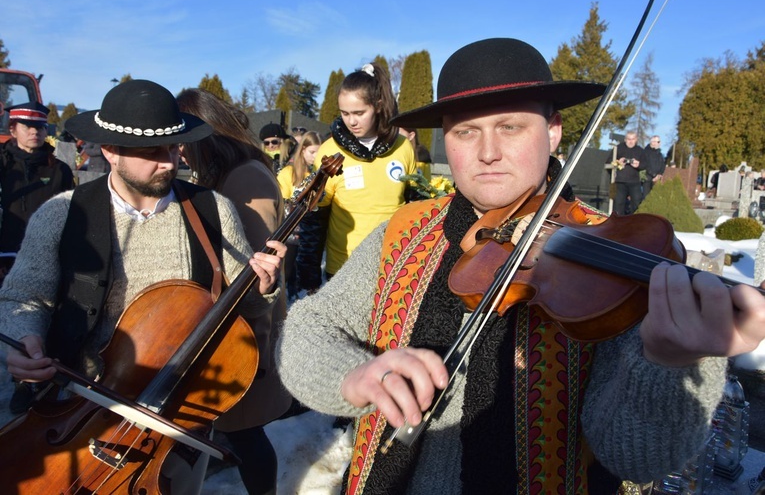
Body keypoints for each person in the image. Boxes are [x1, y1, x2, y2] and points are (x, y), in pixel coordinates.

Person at [275, 38, 765, 494]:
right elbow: (307, 330)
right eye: (467, 132)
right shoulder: (403, 231)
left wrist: (666, 364)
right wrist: (354, 375)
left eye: (510, 127)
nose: (488, 153)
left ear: (552, 131)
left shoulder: (618, 262)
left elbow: (637, 458)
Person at [0, 80, 286, 494]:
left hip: (173, 428)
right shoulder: (62, 214)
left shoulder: (212, 210)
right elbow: (24, 295)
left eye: (174, 148)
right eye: (153, 152)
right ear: (111, 152)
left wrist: (263, 290)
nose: (169, 162)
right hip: (74, 413)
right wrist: (25, 338)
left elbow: (242, 313)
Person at [175, 88, 290, 495]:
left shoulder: (244, 179)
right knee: (239, 429)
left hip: (248, 322)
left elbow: (254, 266)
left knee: (245, 431)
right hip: (236, 319)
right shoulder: (232, 173)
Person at [313, 62, 416, 279]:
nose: (351, 121)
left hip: (391, 263)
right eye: (345, 113)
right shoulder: (329, 151)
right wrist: (309, 273)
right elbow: (315, 218)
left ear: (378, 106)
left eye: (359, 112)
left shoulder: (403, 147)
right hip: (343, 267)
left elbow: (414, 207)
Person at [0, 102, 74, 285]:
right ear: (13, 129)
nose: (35, 132)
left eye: (40, 127)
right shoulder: (3, 164)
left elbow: (70, 213)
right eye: (27, 127)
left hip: (43, 257)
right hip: (4, 254)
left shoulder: (59, 170)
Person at [276, 130, 323, 299]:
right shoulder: (288, 173)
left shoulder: (316, 174)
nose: (316, 156)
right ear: (302, 150)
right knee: (286, 273)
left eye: (319, 152)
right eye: (312, 152)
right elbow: (282, 203)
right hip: (290, 235)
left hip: (308, 237)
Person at [613, 130, 645, 214]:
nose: (631, 141)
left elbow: (645, 165)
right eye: (629, 139)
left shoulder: (640, 150)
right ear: (625, 139)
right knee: (618, 204)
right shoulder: (618, 148)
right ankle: (617, 223)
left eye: (633, 139)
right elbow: (609, 162)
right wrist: (618, 162)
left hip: (634, 182)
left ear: (636, 139)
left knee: (637, 203)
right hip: (619, 181)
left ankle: (635, 222)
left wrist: (638, 165)